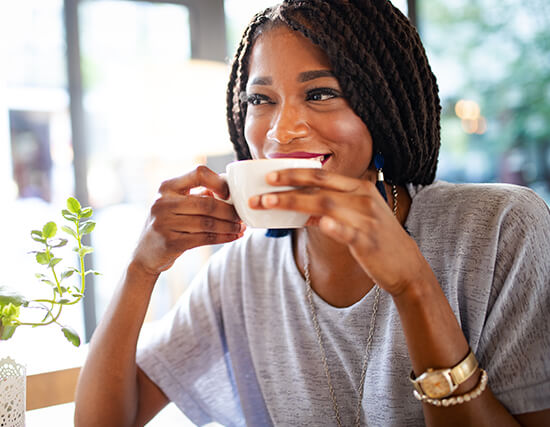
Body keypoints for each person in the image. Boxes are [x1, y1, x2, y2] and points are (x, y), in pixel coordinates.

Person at [74, 1, 550, 426]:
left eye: (320, 93)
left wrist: (414, 287)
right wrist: (142, 268)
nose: (281, 132)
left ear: (380, 108)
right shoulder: (241, 273)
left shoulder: (501, 229)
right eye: (261, 100)